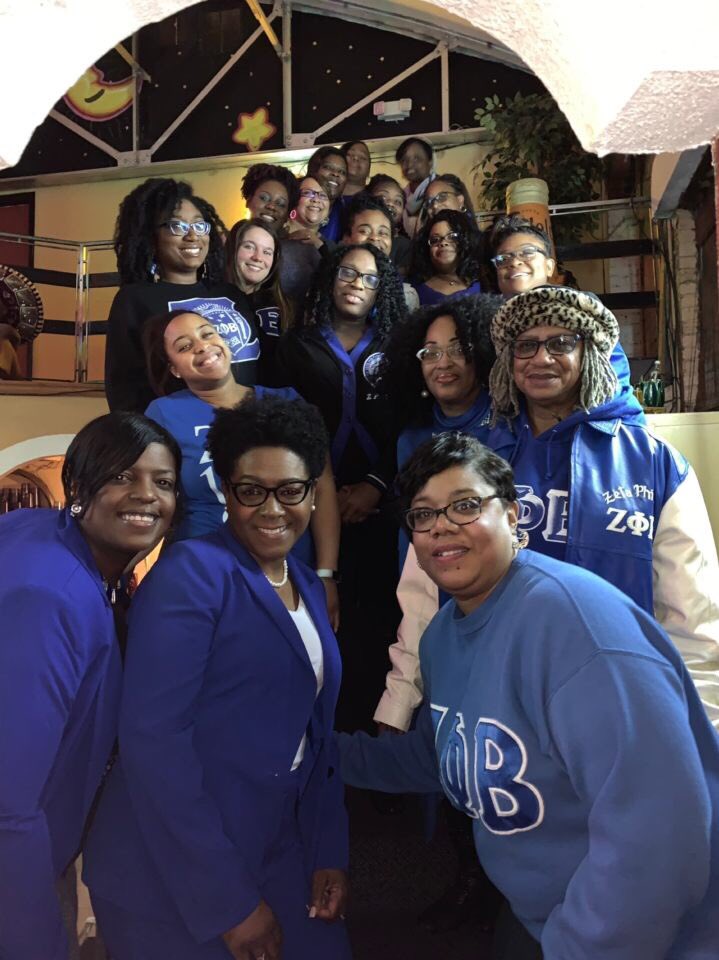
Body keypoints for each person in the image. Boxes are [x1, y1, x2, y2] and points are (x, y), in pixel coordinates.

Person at [339, 431, 719, 960]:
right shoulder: (446, 634)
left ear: (514, 516)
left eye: (465, 505)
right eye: (423, 515)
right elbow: (447, 754)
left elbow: (661, 839)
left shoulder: (578, 629)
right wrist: (328, 757)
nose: (442, 525)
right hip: (541, 912)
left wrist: (576, 946)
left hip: (640, 932)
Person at [84, 396, 351, 960]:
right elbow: (154, 743)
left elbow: (315, 732)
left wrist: (330, 846)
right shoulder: (191, 574)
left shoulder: (301, 578)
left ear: (312, 490)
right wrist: (227, 901)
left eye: (291, 490)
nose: (272, 509)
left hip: (275, 842)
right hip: (172, 866)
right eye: (250, 490)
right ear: (226, 492)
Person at [486, 285, 719, 719]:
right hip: (499, 697)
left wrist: (705, 728)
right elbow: (428, 592)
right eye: (526, 345)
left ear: (590, 353)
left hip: (620, 701)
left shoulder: (655, 462)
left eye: (560, 343)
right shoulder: (476, 462)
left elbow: (693, 617)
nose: (541, 358)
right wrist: (403, 697)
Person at [0, 412, 179, 960]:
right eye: (122, 476)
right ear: (77, 487)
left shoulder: (48, 536)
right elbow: (7, 807)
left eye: (164, 482)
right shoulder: (49, 597)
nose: (146, 495)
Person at [274, 243, 407, 729]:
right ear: (331, 278)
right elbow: (284, 425)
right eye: (348, 273)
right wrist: (320, 491)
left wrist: (374, 485)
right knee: (316, 620)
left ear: (382, 291)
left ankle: (372, 742)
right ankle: (320, 734)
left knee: (377, 625)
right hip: (310, 505)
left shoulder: (397, 347)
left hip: (379, 505)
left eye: (371, 279)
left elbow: (408, 424)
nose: (358, 284)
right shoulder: (295, 346)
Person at [143, 308, 340, 626]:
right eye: (184, 346)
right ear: (174, 369)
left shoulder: (287, 403)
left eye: (208, 333)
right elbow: (152, 498)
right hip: (204, 575)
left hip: (289, 570)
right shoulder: (164, 413)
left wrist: (326, 574)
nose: (202, 345)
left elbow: (324, 487)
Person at [105, 177, 260, 412]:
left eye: (199, 225)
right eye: (177, 226)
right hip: (182, 434)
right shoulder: (135, 299)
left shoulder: (230, 293)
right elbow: (124, 389)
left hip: (249, 422)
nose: (192, 236)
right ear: (151, 237)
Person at [225, 218, 292, 380]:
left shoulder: (286, 307)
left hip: (271, 400)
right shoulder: (210, 300)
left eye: (267, 252)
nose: (258, 257)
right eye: (249, 246)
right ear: (232, 249)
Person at [341, 193, 419, 310]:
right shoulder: (330, 283)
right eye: (364, 231)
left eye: (383, 233)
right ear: (346, 238)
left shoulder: (406, 297)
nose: (375, 238)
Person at [410, 209, 484, 306]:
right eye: (435, 240)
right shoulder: (415, 292)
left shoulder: (484, 282)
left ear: (467, 240)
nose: (443, 243)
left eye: (452, 237)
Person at [280, 175, 330, 310]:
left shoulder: (331, 247)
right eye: (308, 193)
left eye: (323, 195)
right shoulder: (274, 237)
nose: (316, 200)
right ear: (295, 199)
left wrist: (320, 246)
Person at [366, 172, 411, 273]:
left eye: (397, 202)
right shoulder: (359, 235)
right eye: (383, 198)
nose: (391, 204)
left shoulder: (405, 246)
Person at [395, 136, 435, 238]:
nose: (409, 164)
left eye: (416, 158)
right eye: (404, 160)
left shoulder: (446, 188)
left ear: (430, 162)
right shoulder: (401, 196)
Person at [240, 162, 299, 230]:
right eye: (264, 198)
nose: (271, 206)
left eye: (281, 204)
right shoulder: (232, 239)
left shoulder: (297, 240)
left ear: (287, 215)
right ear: (249, 201)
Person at [306, 146, 348, 243]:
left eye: (342, 172)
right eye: (328, 167)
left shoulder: (346, 212)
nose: (336, 174)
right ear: (314, 170)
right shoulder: (294, 202)